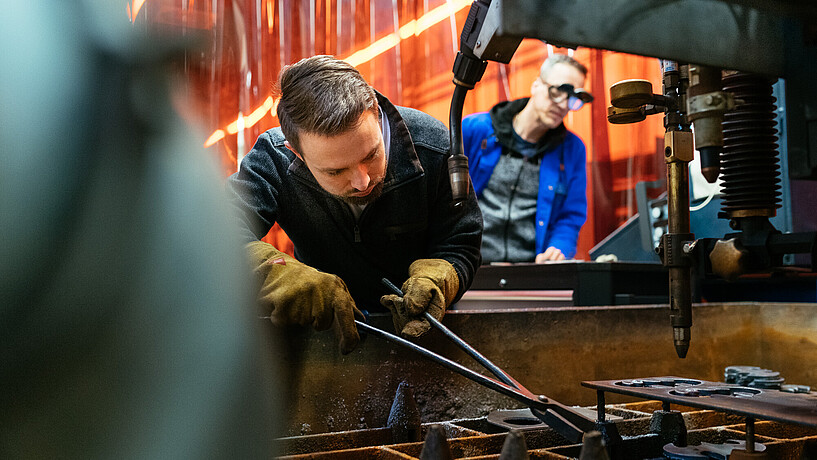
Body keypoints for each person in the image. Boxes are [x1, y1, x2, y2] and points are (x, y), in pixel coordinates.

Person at [227, 55, 482, 354]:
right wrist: (274, 272)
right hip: (325, 335)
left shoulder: (434, 146)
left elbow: (461, 242)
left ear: (375, 111)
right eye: (335, 171)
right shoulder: (273, 159)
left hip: (426, 336)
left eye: (371, 155)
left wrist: (442, 276)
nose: (363, 181)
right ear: (296, 153)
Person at [462, 54, 593, 263]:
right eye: (558, 91)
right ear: (536, 85)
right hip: (469, 267)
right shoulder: (473, 130)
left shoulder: (572, 149)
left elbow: (571, 215)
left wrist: (558, 248)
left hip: (528, 271)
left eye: (572, 97)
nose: (563, 104)